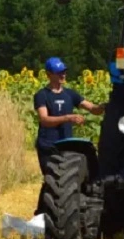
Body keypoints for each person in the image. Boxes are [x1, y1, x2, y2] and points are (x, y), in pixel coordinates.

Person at [33, 56, 104, 214]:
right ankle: (42, 214)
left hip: (67, 147)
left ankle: (52, 214)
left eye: (64, 72)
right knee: (51, 181)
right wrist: (68, 118)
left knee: (62, 183)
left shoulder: (71, 94)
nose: (63, 75)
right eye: (59, 73)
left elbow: (92, 108)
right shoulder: (42, 95)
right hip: (48, 146)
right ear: (49, 74)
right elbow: (44, 119)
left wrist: (106, 106)